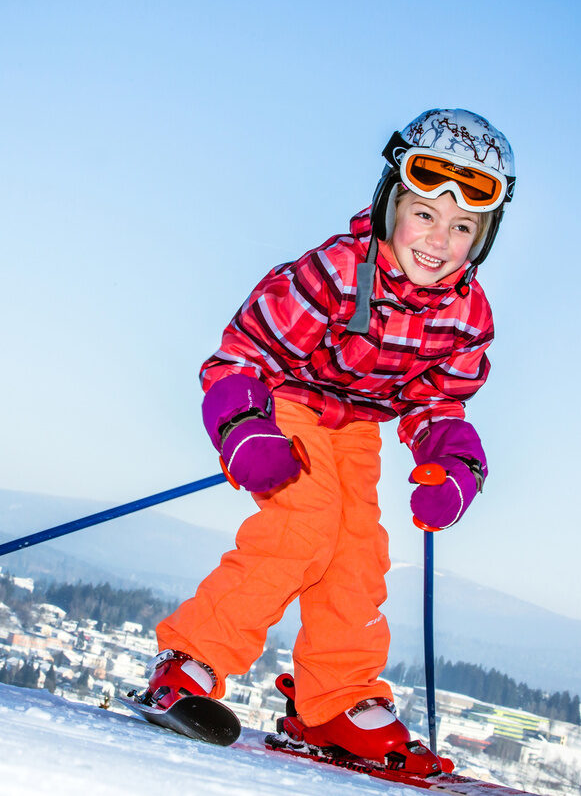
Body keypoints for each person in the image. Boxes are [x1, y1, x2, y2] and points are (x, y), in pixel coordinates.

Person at [149, 109, 515, 773]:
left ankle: (335, 701)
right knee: (305, 527)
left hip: (359, 428)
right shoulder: (335, 273)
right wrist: (246, 426)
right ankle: (191, 659)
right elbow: (238, 357)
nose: (439, 239)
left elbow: (437, 399)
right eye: (425, 214)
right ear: (390, 204)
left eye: (463, 226)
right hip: (289, 401)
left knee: (357, 552)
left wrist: (451, 459)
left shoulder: (468, 314)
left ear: (482, 238)